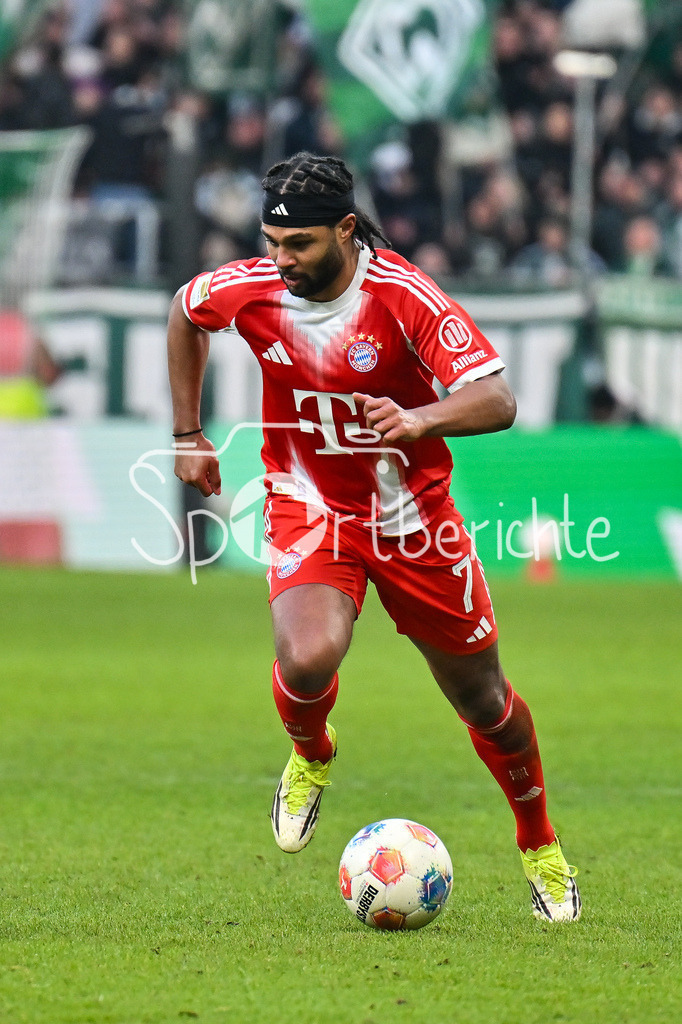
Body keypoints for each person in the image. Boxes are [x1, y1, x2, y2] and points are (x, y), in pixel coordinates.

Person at [167, 151, 581, 924]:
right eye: (270, 242)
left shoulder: (402, 295)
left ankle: (540, 845)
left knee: (485, 700)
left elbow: (497, 398)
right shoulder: (253, 287)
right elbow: (186, 312)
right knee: (308, 652)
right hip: (307, 505)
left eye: (299, 246)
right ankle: (313, 754)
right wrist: (188, 431)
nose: (279, 261)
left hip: (414, 522)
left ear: (347, 230)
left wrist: (421, 417)